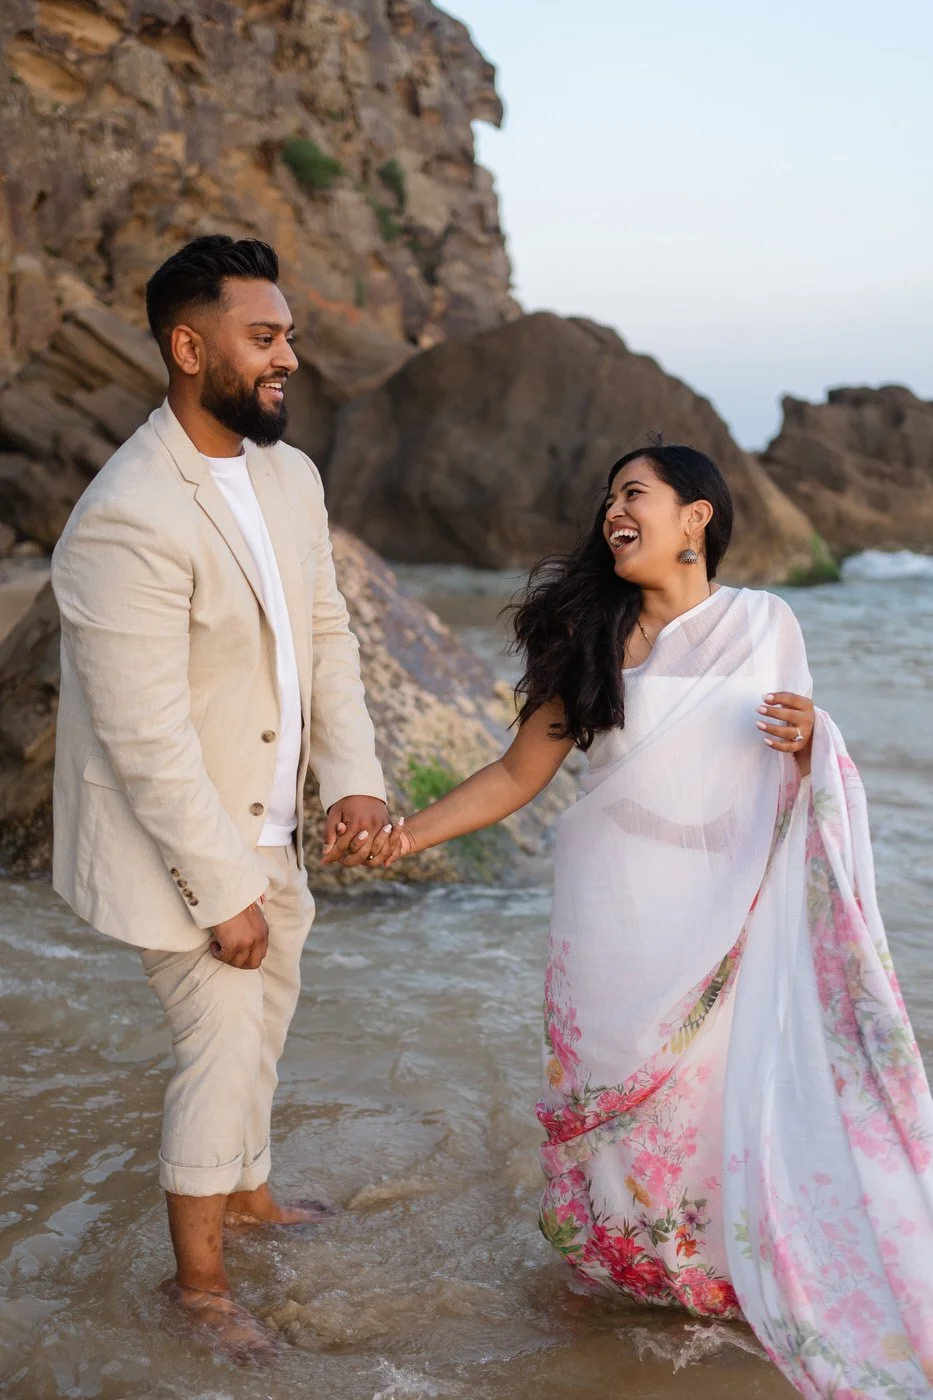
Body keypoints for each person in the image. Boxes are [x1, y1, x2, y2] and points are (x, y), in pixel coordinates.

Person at [354, 444, 933, 1398]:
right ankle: (610, 1273)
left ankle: (710, 1274)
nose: (612, 510)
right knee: (607, 1090)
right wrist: (405, 839)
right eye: (608, 498)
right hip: (609, 907)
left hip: (719, 908)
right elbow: (513, 778)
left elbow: (797, 762)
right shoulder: (588, 634)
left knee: (705, 1092)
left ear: (696, 516)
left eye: (634, 493)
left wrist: (810, 740)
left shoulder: (762, 621)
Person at [51, 235, 391, 1360]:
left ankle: (245, 1196)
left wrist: (350, 777)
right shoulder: (127, 515)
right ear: (189, 349)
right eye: (265, 335)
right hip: (183, 839)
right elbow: (145, 736)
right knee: (222, 1036)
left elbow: (327, 632)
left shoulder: (289, 474)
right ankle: (198, 1285)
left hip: (274, 816)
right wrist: (222, 888)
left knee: (268, 1018)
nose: (289, 353)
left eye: (288, 331)